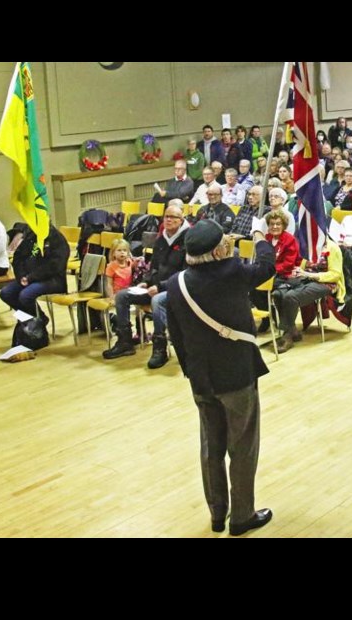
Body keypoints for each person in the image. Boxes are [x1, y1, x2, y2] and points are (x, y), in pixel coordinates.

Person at [164, 219, 276, 536]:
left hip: (201, 378)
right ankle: (241, 517)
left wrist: (192, 372)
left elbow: (177, 337)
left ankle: (217, 513)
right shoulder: (233, 272)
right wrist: (259, 235)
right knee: (242, 447)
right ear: (218, 250)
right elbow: (266, 266)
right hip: (237, 375)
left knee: (211, 448)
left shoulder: (176, 283)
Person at [103, 207, 187, 366]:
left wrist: (161, 287)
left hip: (176, 289)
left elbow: (184, 273)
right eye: (166, 216)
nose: (168, 220)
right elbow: (153, 266)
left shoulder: (187, 241)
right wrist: (146, 281)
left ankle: (160, 347)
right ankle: (125, 341)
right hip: (154, 287)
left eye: (173, 217)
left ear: (181, 220)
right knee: (122, 295)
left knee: (157, 300)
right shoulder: (161, 239)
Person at [272, 238, 345, 353]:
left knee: (291, 297)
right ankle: (292, 330)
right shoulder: (306, 245)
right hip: (304, 278)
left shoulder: (332, 247)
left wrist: (309, 274)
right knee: (278, 294)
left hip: (325, 283)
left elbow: (335, 275)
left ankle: (288, 335)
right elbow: (299, 265)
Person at [0, 223, 70, 316]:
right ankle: (29, 320)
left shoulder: (56, 239)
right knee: (5, 293)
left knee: (25, 296)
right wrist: (21, 276)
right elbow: (18, 258)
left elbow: (54, 266)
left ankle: (36, 322)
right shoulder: (31, 236)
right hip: (28, 278)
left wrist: (30, 278)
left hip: (52, 280)